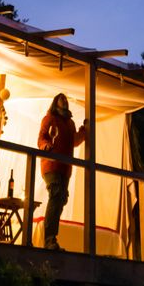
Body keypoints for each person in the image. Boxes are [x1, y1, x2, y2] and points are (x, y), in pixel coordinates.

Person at [37, 92, 87, 250]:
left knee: (61, 200)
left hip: (65, 168)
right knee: (56, 195)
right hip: (51, 165)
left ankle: (51, 238)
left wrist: (85, 131)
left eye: (65, 99)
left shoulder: (70, 123)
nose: (64, 100)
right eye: (61, 98)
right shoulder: (50, 118)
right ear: (55, 102)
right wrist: (46, 146)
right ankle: (49, 239)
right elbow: (41, 138)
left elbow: (74, 142)